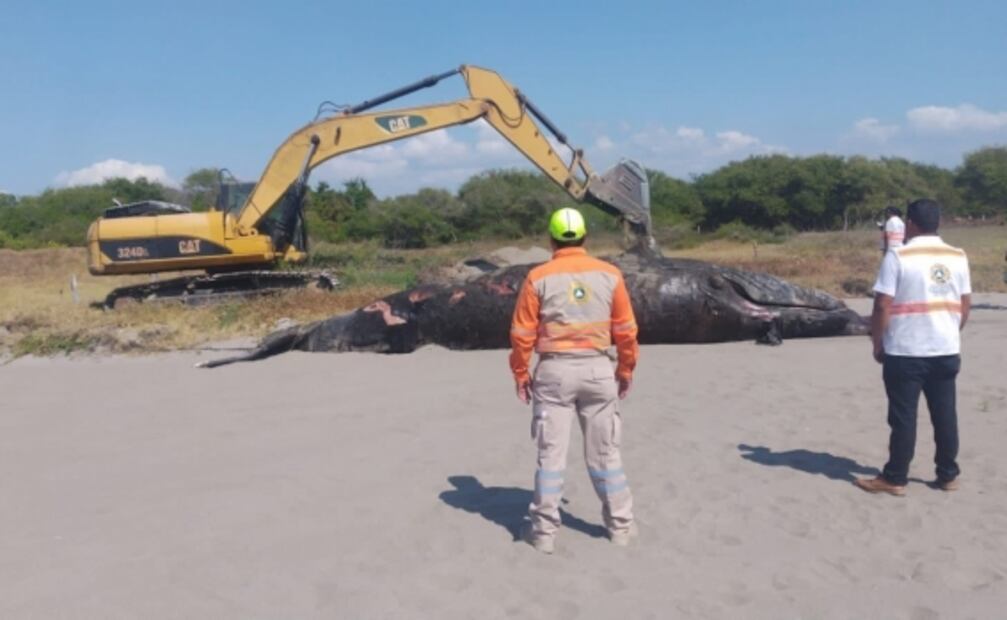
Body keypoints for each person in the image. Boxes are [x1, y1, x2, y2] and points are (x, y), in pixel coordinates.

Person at [509, 207, 640, 553]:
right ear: (584, 237)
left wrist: (521, 373)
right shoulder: (610, 275)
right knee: (605, 453)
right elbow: (626, 331)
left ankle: (543, 534)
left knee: (551, 456)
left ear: (550, 239)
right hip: (598, 371)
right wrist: (625, 369)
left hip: (554, 373)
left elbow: (521, 334)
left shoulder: (538, 277)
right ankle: (620, 527)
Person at [855, 198, 971, 496]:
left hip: (907, 349)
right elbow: (964, 303)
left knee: (903, 417)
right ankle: (948, 475)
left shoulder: (898, 256)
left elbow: (882, 304)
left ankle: (895, 478)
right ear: (938, 223)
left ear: (910, 224)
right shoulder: (958, 256)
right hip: (945, 348)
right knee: (945, 414)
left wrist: (877, 341)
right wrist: (950, 330)